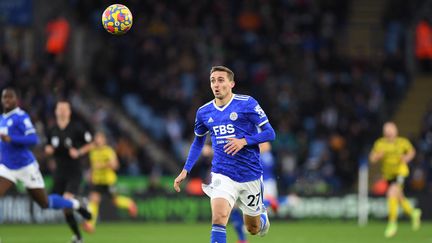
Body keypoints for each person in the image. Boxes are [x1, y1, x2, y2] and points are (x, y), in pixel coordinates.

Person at [173, 66, 276, 243]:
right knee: (219, 218)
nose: (216, 84)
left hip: (249, 175)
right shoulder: (204, 112)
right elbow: (198, 142)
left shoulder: (247, 103)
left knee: (253, 228)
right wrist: (186, 169)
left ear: (231, 83)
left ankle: (262, 218)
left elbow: (270, 133)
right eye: (213, 80)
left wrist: (244, 141)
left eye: (221, 80)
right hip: (222, 173)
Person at [0, 88, 91, 230]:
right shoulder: (2, 119)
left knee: (45, 203)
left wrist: (11, 139)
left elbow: (33, 139)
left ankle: (75, 204)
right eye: (4, 97)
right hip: (6, 167)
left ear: (16, 100)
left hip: (25, 166)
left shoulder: (21, 117)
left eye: (10, 97)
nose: (7, 100)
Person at [45, 100, 93, 243]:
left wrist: (78, 152)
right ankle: (78, 236)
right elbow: (48, 147)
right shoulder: (52, 130)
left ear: (69, 112)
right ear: (55, 111)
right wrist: (48, 151)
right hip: (59, 172)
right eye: (59, 108)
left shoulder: (77, 128)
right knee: (61, 206)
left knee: (66, 200)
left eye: (65, 109)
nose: (62, 111)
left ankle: (80, 209)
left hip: (74, 171)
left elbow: (91, 144)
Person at [369, 121, 421, 238]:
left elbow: (412, 152)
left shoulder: (402, 142)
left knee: (392, 193)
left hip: (400, 172)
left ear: (395, 131)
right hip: (388, 175)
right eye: (386, 130)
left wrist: (406, 158)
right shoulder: (380, 143)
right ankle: (413, 213)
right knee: (399, 197)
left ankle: (392, 224)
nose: (389, 133)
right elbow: (372, 158)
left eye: (390, 130)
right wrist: (378, 156)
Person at [82, 131, 138, 233]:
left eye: (100, 138)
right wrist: (90, 175)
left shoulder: (108, 151)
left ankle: (129, 203)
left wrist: (102, 165)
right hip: (97, 181)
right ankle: (90, 224)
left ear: (104, 140)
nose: (98, 140)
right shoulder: (93, 152)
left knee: (115, 201)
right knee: (94, 200)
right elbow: (93, 166)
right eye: (96, 138)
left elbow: (115, 165)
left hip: (108, 181)